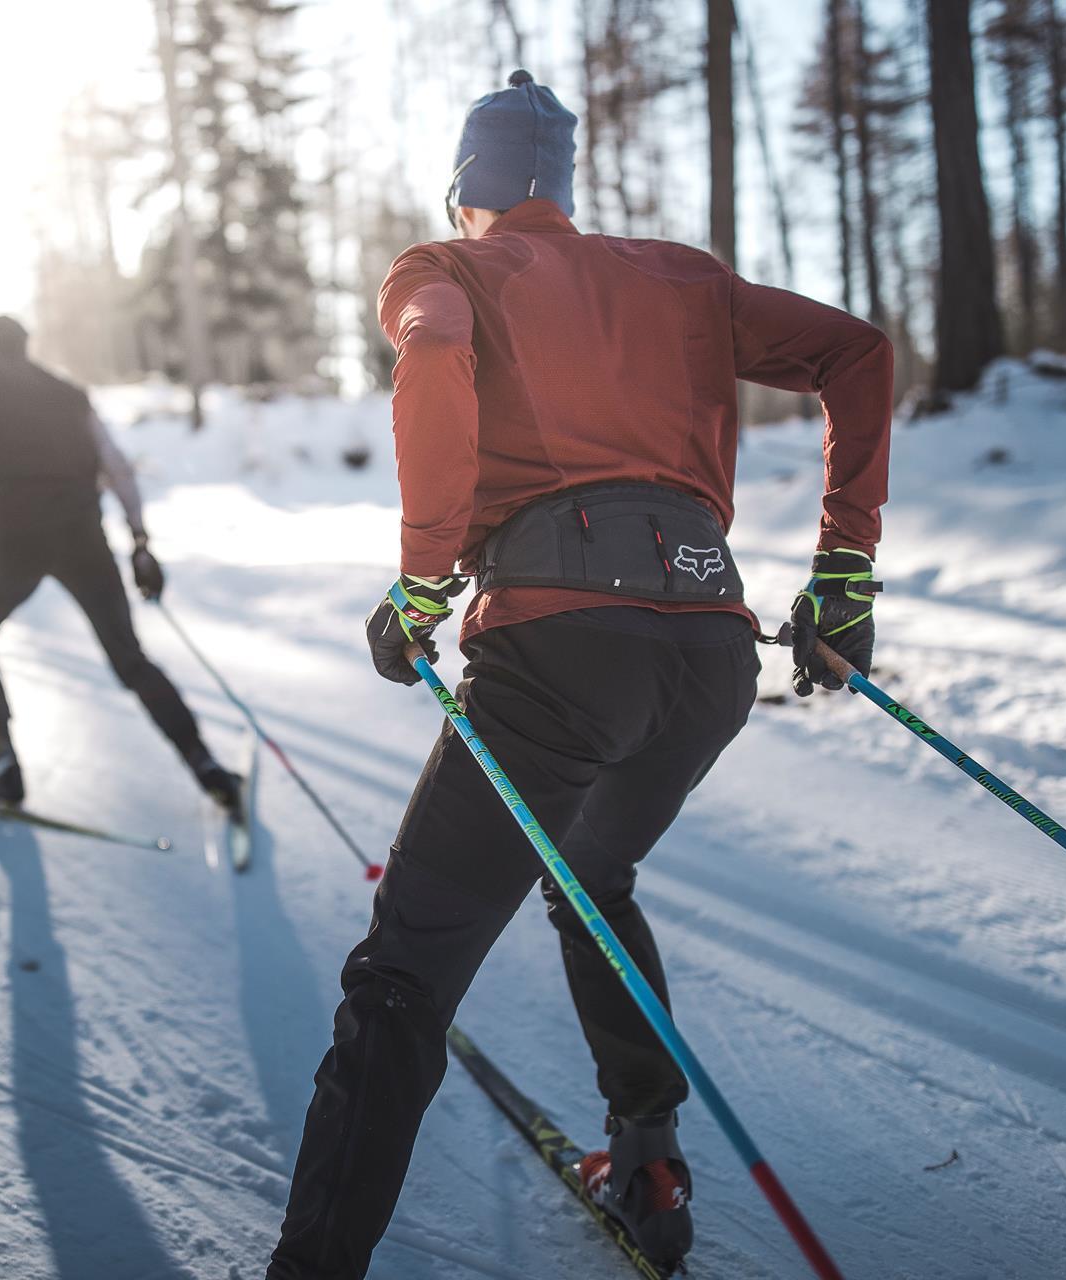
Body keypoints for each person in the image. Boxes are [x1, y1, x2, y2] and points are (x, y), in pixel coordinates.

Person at [267, 70, 891, 1279]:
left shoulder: (443, 271)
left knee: (400, 980)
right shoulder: (680, 276)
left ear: (466, 190)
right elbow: (855, 352)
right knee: (594, 868)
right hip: (707, 656)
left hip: (557, 651)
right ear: (562, 182)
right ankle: (646, 1153)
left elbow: (436, 359)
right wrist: (846, 569)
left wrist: (421, 582)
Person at [0, 315, 240, 812]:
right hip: (82, 538)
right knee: (129, 658)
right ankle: (204, 764)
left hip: (12, 538)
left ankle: (4, 766)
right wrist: (139, 540)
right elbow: (115, 464)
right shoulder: (69, 393)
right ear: (26, 348)